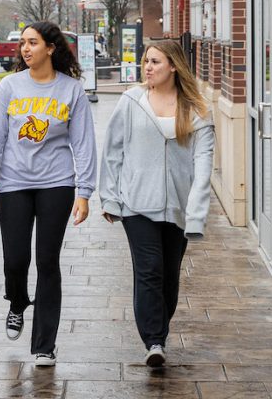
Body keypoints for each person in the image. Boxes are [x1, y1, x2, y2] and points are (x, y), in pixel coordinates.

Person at [0, 21, 97, 367]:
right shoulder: (9, 88)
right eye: (23, 44)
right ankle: (17, 301)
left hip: (56, 184)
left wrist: (84, 191)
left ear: (51, 48)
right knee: (16, 259)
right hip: (14, 183)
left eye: (32, 42)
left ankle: (44, 344)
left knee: (47, 261)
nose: (25, 49)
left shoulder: (71, 90)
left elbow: (84, 144)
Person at [99, 40, 214, 368]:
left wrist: (196, 214)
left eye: (155, 62)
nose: (147, 67)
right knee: (148, 270)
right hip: (137, 204)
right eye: (146, 61)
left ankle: (157, 329)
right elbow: (112, 151)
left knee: (169, 278)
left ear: (173, 66)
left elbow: (203, 165)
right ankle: (154, 341)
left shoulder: (196, 108)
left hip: (178, 207)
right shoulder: (131, 102)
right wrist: (109, 197)